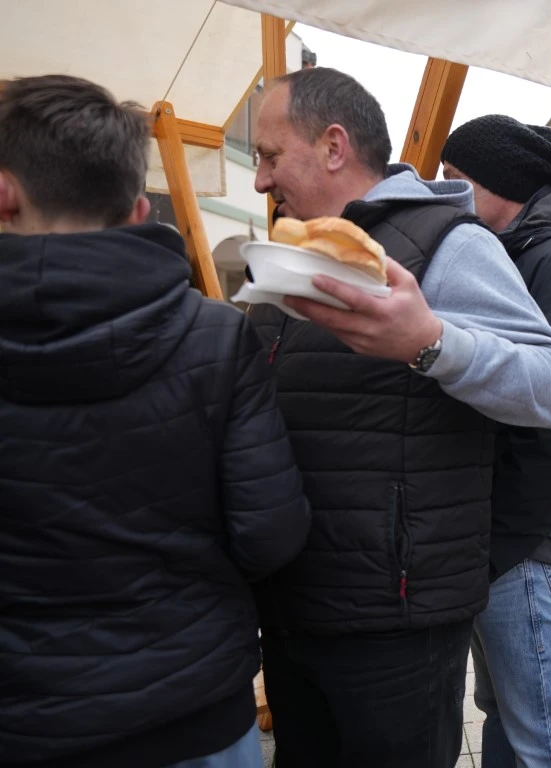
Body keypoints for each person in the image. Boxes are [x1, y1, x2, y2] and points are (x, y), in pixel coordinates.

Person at [246, 67, 551, 768]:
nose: (259, 181)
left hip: (396, 616)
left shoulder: (449, 242)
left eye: (270, 156)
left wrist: (430, 344)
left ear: (334, 146)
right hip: (295, 601)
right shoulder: (299, 250)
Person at [0, 74, 311, 768]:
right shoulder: (217, 336)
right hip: (193, 712)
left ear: (3, 191)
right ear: (140, 208)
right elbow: (271, 534)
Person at [439, 114, 551, 767]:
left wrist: (505, 539)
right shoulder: (514, 248)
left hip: (528, 539)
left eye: (457, 180)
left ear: (501, 181)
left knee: (549, 736)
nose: (447, 191)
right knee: (509, 717)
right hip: (504, 533)